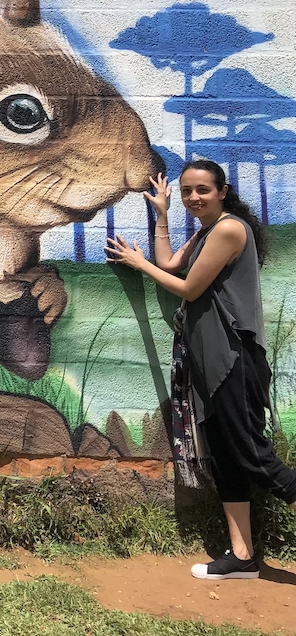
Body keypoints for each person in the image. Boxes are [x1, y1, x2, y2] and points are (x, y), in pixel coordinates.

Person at [106, 159, 296, 581]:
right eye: (187, 190)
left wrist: (139, 265)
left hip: (235, 360)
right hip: (211, 362)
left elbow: (188, 289)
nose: (193, 197)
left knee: (252, 454)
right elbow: (171, 265)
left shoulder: (229, 230)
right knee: (226, 457)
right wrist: (161, 214)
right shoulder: (206, 232)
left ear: (223, 191)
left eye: (202, 190)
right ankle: (242, 556)